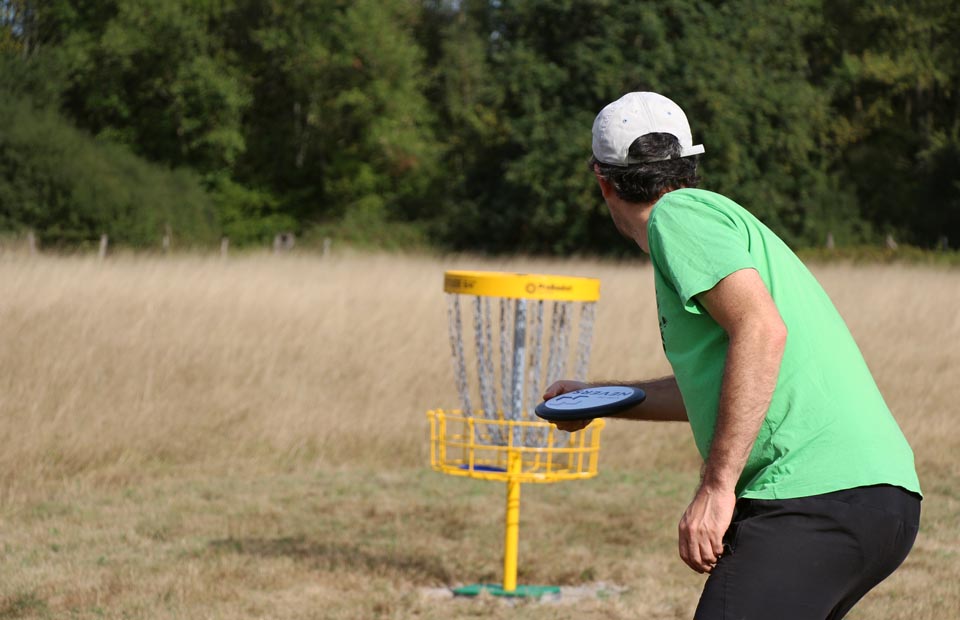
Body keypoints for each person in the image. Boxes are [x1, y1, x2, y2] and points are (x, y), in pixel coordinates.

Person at [544, 92, 922, 619]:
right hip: (875, 498)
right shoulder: (710, 221)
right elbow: (729, 381)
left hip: (812, 496)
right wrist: (600, 397)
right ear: (688, 164)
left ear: (602, 179)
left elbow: (762, 332)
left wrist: (717, 490)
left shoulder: (677, 218)